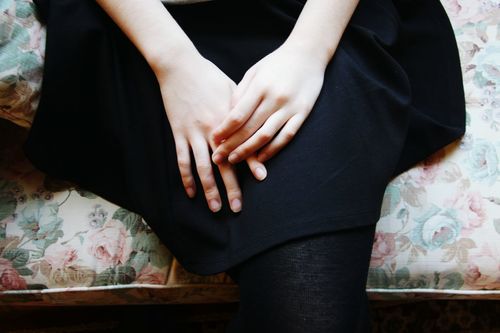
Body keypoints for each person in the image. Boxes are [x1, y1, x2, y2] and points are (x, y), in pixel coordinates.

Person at [24, 0, 466, 331]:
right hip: (140, 27)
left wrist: (308, 52)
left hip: (320, 18)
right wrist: (174, 63)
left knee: (309, 314)